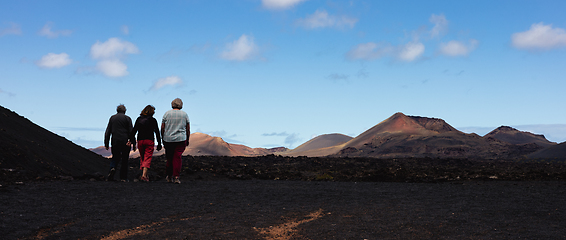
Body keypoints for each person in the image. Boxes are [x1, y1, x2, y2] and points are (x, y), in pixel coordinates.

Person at [161, 98, 190, 184]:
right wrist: (187, 138)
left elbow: (162, 127)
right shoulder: (185, 114)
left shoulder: (167, 114)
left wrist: (162, 137)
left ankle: (169, 176)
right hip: (181, 139)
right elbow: (188, 128)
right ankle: (176, 176)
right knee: (177, 157)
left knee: (169, 158)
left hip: (168, 139)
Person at [130, 105, 162, 182]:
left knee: (142, 157)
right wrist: (159, 143)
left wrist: (133, 142)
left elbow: (133, 131)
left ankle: (143, 175)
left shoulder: (139, 119)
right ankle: (144, 176)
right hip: (149, 140)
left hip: (140, 140)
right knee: (147, 157)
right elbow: (157, 132)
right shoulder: (153, 120)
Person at [104, 104, 134, 182]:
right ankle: (123, 177)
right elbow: (131, 131)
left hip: (115, 141)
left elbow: (108, 131)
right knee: (124, 159)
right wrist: (132, 142)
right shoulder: (127, 118)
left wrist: (106, 143)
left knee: (115, 157)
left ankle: (112, 168)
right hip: (125, 141)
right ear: (125, 111)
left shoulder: (112, 118)